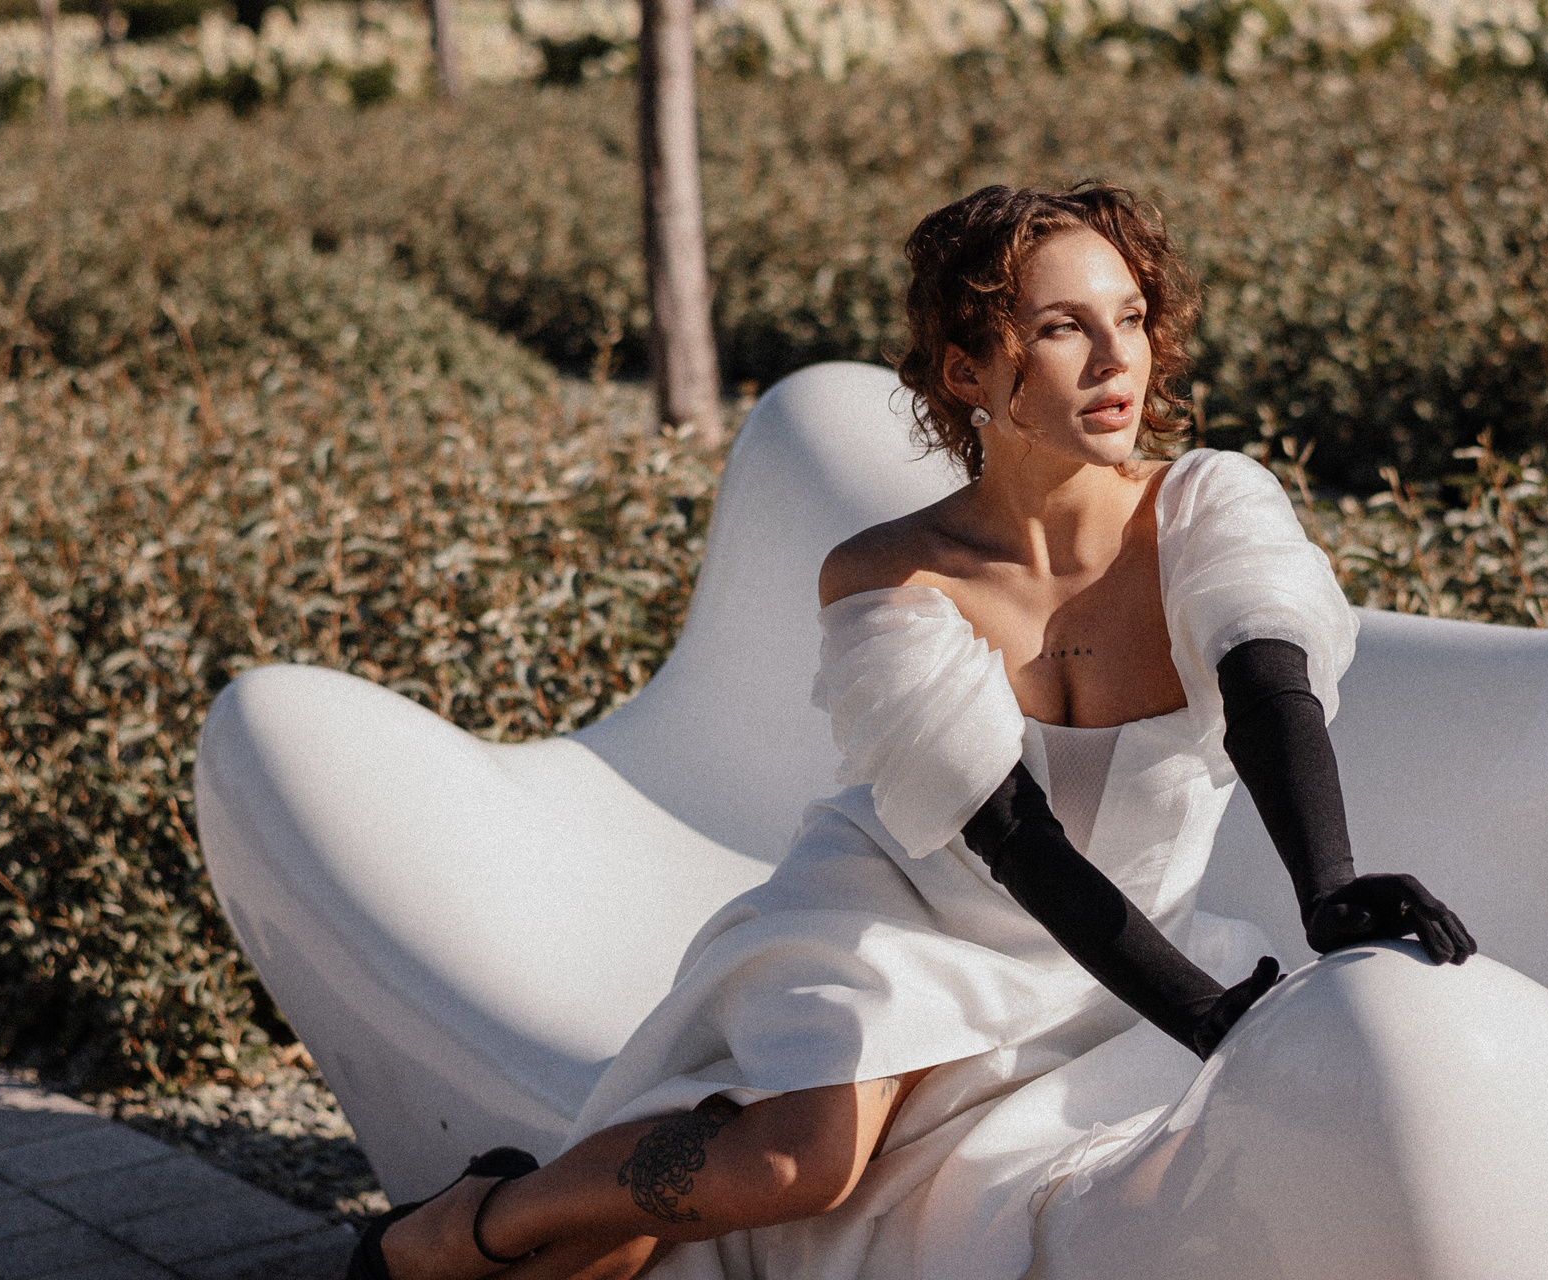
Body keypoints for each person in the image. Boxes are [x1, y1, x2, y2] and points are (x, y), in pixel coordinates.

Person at [350, 182, 1476, 1280]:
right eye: (1062, 328)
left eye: (1130, 318)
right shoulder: (891, 574)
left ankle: (513, 1226)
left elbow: (1270, 691)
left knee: (619, 1262)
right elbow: (1012, 837)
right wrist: (1199, 1011)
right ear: (967, 370)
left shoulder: (1208, 504)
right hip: (905, 914)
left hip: (1121, 944)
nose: (1116, 359)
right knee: (800, 1165)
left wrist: (1329, 887)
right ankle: (471, 1220)